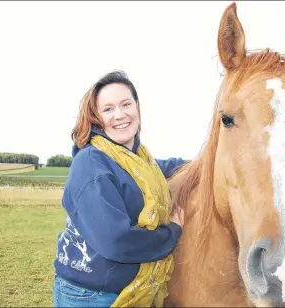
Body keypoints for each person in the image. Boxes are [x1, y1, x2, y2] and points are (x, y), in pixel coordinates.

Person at [52, 70, 188, 307]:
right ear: (96, 117)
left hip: (124, 289)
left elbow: (162, 168)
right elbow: (116, 241)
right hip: (91, 295)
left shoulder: (137, 159)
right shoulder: (92, 164)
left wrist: (208, 161)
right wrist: (172, 232)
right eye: (108, 109)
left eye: (126, 104)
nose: (120, 115)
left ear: (137, 107)